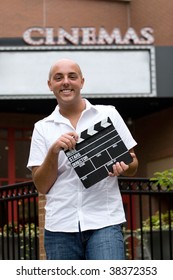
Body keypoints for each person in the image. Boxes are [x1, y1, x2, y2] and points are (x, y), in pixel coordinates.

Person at [27, 58, 138, 260]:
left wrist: (125, 167)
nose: (66, 82)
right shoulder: (42, 128)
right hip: (60, 226)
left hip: (104, 221)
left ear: (82, 82)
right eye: (58, 78)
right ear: (50, 84)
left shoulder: (108, 114)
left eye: (72, 76)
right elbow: (41, 186)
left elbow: (133, 162)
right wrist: (53, 152)